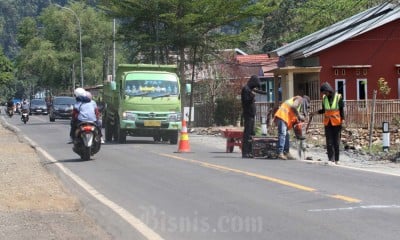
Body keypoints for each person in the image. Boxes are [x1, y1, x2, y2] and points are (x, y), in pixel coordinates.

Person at [311, 82, 345, 164]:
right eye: (323, 92)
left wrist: (343, 120)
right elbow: (323, 110)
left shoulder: (338, 97)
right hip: (328, 123)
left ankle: (337, 159)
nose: (324, 94)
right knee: (329, 142)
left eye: (325, 92)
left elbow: (341, 110)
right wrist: (315, 113)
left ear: (328, 90)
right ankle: (331, 159)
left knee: (336, 142)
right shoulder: (324, 98)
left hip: (337, 123)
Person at [274, 95, 310, 160]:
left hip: (285, 117)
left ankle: (286, 152)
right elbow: (293, 107)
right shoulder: (299, 99)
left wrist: (299, 133)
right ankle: (280, 152)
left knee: (287, 135)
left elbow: (295, 123)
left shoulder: (298, 108)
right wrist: (299, 116)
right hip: (282, 115)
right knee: (283, 134)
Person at [241, 75, 266, 158]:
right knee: (247, 133)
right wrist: (252, 96)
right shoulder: (246, 89)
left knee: (251, 133)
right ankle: (245, 152)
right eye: (255, 85)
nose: (255, 87)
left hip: (251, 115)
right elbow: (246, 101)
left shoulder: (250, 90)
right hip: (248, 114)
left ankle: (250, 151)